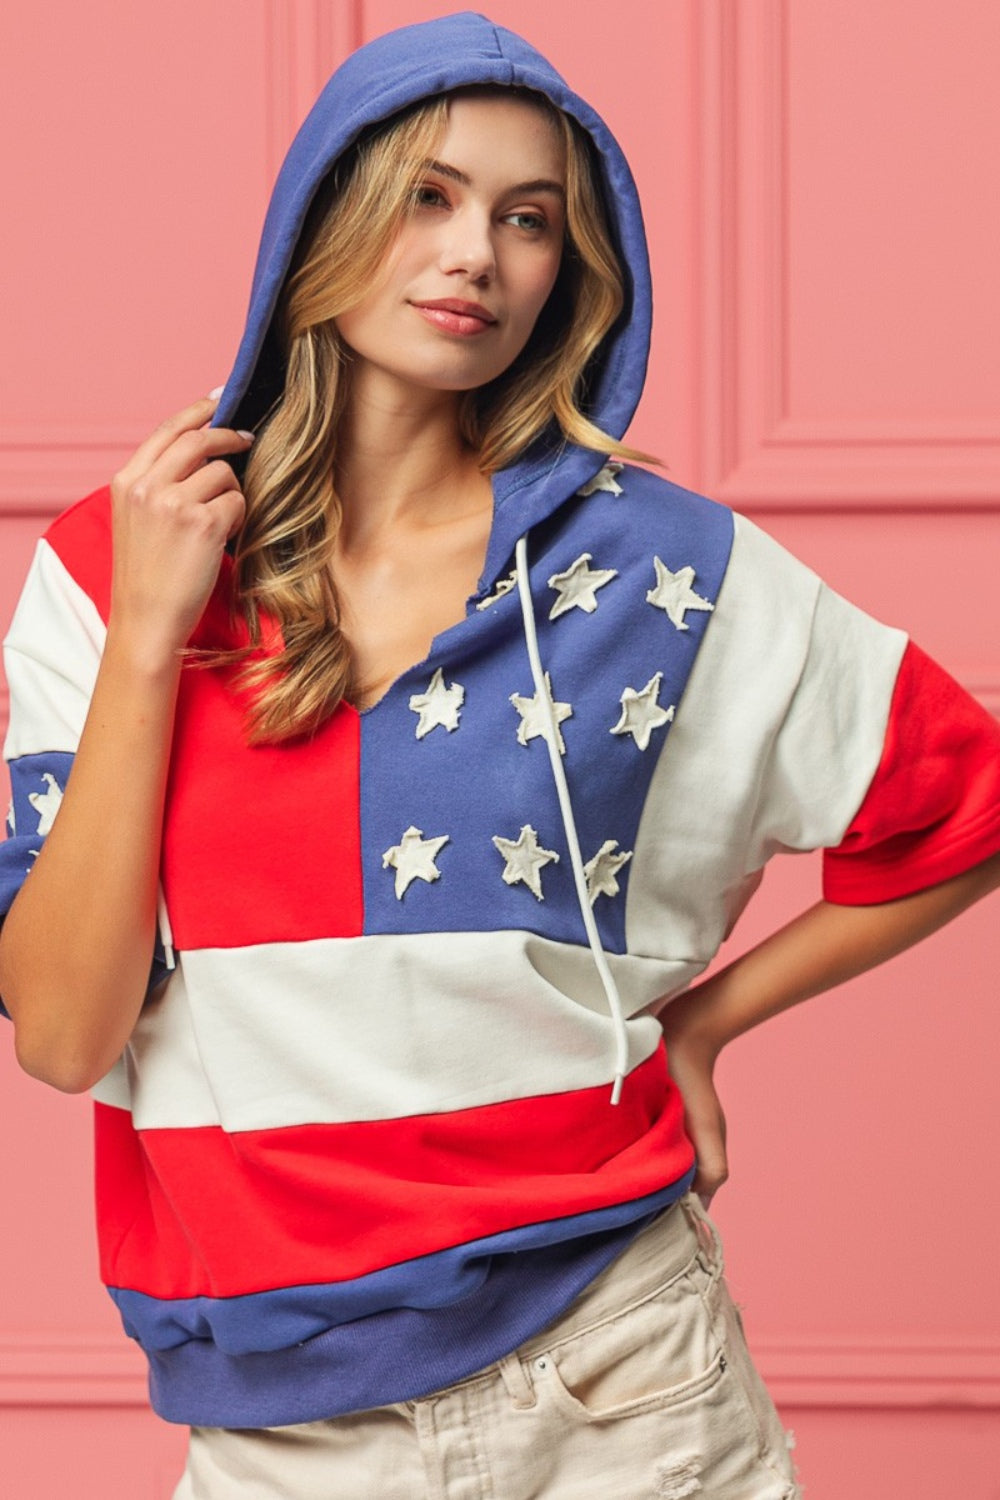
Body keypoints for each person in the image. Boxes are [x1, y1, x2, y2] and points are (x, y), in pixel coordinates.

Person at [1, 12, 999, 1498]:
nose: (478, 253)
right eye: (428, 195)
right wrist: (151, 640)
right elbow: (66, 1039)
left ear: (571, 274)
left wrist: (705, 1027)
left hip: (625, 1370)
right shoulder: (115, 567)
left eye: (529, 220)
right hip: (285, 1420)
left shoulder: (659, 571)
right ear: (320, 219)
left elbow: (960, 804)